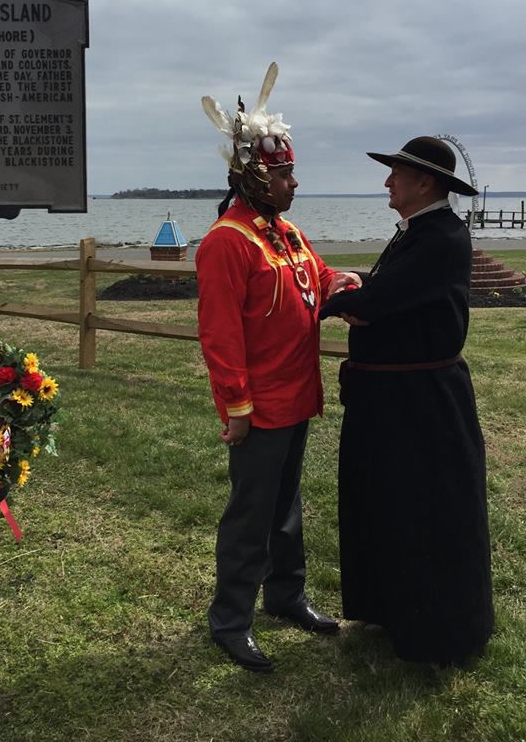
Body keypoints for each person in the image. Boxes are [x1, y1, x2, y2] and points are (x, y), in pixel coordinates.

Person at [196, 63, 361, 672]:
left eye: (291, 170)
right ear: (253, 179)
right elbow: (219, 335)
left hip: (298, 396)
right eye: (283, 172)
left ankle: (286, 596)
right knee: (251, 514)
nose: (294, 182)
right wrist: (235, 406)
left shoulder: (285, 233)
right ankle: (229, 619)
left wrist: (351, 284)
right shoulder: (227, 242)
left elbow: (317, 278)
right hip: (259, 405)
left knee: (287, 507)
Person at [320, 136, 494, 665]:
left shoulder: (440, 236)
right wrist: (363, 284)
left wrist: (339, 301)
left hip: (420, 405)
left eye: (397, 173)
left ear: (426, 183)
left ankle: (435, 630)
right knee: (391, 504)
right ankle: (394, 609)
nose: (388, 181)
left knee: (423, 509)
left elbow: (385, 301)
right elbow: (396, 288)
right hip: (396, 399)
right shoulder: (422, 232)